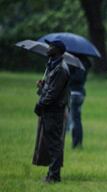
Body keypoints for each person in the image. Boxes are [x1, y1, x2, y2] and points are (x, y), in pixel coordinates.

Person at [33, 40, 70, 183]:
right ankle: (52, 174)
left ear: (58, 50)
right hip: (50, 110)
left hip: (54, 111)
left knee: (54, 144)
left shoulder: (60, 69)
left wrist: (40, 104)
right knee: (50, 143)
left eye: (51, 47)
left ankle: (54, 176)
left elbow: (53, 94)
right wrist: (43, 86)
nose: (48, 48)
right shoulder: (53, 66)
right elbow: (51, 89)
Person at [68, 55, 91, 149]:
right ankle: (77, 143)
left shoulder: (78, 63)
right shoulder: (85, 62)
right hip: (79, 93)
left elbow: (78, 78)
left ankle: (76, 143)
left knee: (75, 120)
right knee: (76, 119)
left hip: (74, 93)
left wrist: (67, 76)